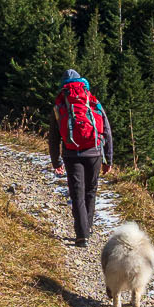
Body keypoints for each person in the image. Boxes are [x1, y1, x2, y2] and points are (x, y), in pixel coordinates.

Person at [48, 68, 113, 247]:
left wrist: (56, 161)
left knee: (77, 193)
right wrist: (108, 158)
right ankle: (88, 228)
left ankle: (81, 235)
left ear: (63, 86)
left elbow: (54, 137)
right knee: (90, 191)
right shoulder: (91, 100)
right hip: (95, 152)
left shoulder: (60, 104)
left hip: (71, 153)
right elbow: (106, 130)